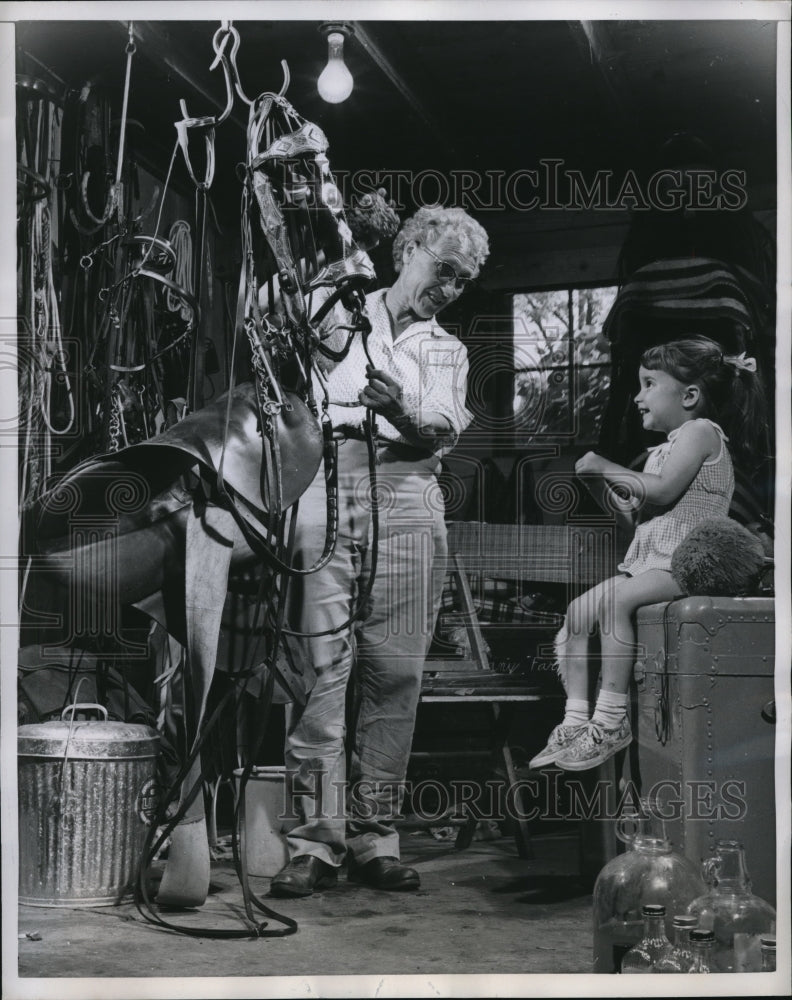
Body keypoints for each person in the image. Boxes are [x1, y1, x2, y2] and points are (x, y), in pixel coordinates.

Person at [270, 206, 490, 897]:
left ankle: (374, 839)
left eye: (462, 280)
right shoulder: (332, 306)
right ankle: (313, 842)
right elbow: (275, 340)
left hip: (407, 496)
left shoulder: (445, 349)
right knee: (320, 671)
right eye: (442, 268)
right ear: (411, 249)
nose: (448, 287)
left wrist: (401, 412)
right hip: (326, 485)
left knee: (395, 675)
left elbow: (437, 429)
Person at [529, 335, 767, 772]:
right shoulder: (664, 448)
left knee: (616, 602)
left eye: (648, 384)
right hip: (649, 562)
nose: (637, 397)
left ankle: (611, 719)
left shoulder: (701, 433)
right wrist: (601, 485)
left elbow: (663, 490)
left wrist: (605, 465)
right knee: (579, 611)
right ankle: (575, 722)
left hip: (683, 563)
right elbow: (636, 519)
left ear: (690, 395)